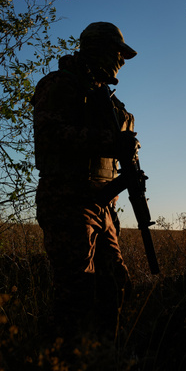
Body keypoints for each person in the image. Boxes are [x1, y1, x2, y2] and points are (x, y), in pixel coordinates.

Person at [31, 22, 140, 336]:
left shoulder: (107, 100)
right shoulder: (60, 84)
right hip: (68, 199)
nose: (121, 60)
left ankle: (103, 361)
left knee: (114, 282)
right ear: (99, 50)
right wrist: (110, 142)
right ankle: (59, 370)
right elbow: (50, 134)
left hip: (101, 203)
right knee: (75, 289)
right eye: (117, 53)